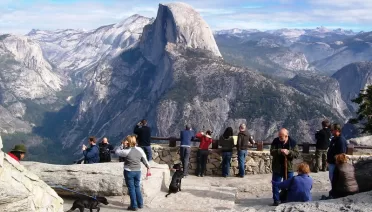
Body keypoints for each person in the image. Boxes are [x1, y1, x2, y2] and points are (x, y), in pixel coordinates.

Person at [116, 135, 150, 211]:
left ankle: (134, 206)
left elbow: (117, 152)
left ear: (128, 142)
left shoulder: (126, 151)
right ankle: (140, 204)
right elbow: (144, 158)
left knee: (131, 189)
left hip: (129, 171)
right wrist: (148, 166)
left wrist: (122, 145)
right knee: (137, 187)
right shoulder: (140, 149)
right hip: (138, 171)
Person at [270, 128, 300, 206]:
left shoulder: (293, 143)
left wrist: (289, 152)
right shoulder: (275, 141)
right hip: (277, 167)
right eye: (279, 136)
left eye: (281, 136)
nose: (280, 138)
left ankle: (287, 199)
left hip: (289, 167)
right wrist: (280, 151)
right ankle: (276, 200)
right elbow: (272, 152)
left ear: (286, 136)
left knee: (289, 185)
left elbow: (296, 154)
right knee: (276, 184)